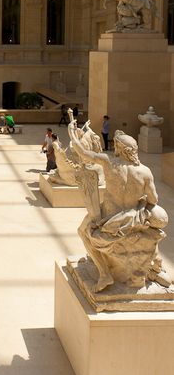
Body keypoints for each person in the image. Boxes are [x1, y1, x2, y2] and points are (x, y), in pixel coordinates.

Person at [68, 121, 170, 293]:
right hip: (133, 217)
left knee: (82, 232)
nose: (114, 147)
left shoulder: (108, 162)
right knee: (152, 224)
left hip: (108, 217)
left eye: (116, 145)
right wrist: (140, 201)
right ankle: (154, 267)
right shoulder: (145, 171)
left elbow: (84, 153)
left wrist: (71, 132)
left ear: (120, 148)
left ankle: (104, 273)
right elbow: (154, 199)